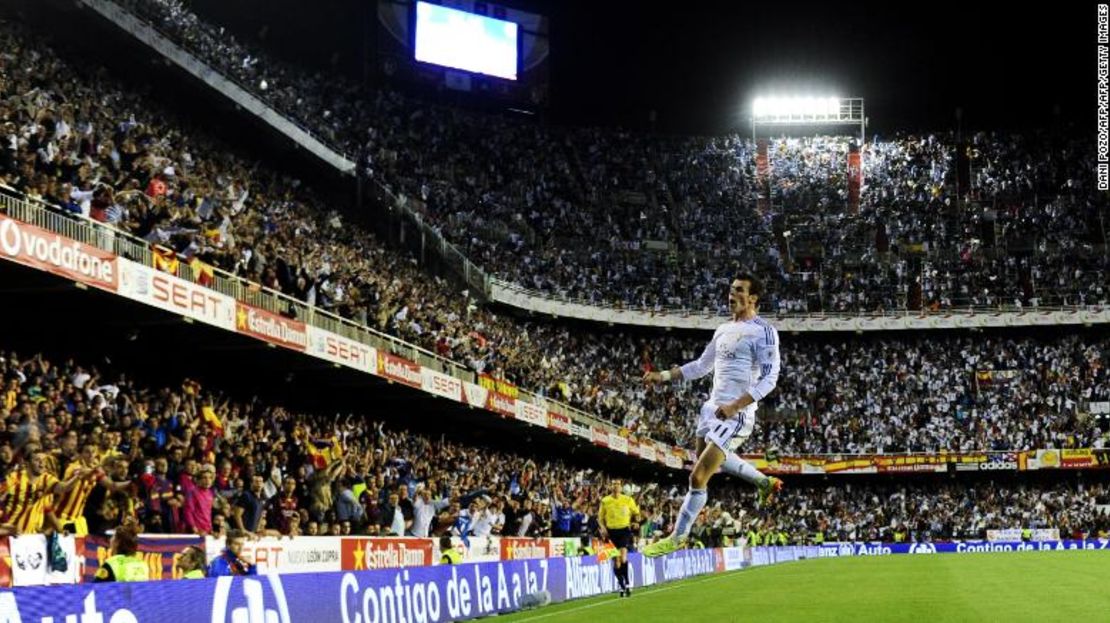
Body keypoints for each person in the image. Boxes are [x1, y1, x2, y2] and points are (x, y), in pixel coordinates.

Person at [642, 274, 784, 557]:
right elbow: (701, 365)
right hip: (710, 410)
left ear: (753, 297)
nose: (732, 295)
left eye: (740, 290)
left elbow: (770, 379)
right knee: (702, 473)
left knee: (698, 476)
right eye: (731, 289)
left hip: (736, 414)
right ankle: (764, 481)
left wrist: (735, 406)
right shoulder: (722, 329)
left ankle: (678, 537)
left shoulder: (764, 331)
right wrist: (664, 376)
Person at [598, 479, 640, 597]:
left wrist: (636, 522)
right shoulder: (605, 501)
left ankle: (627, 583)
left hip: (624, 530)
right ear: (610, 486)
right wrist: (603, 528)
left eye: (618, 484)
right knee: (616, 562)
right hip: (610, 532)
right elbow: (600, 518)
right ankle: (621, 585)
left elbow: (636, 513)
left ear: (621, 487)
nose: (616, 486)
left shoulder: (627, 500)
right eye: (613, 484)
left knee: (623, 557)